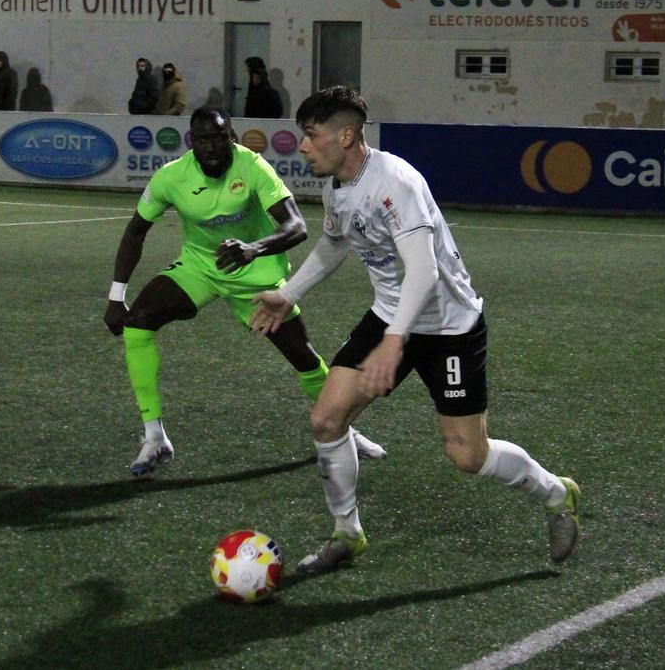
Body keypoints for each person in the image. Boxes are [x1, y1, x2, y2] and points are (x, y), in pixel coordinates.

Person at [250, 86, 581, 572]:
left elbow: (423, 274)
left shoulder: (396, 182)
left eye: (311, 135)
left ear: (345, 136)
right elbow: (334, 242)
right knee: (326, 419)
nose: (302, 146)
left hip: (449, 327)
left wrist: (393, 342)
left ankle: (556, 493)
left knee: (467, 455)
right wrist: (290, 293)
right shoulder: (336, 186)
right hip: (392, 316)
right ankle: (347, 533)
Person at [103, 106, 386, 477]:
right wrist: (115, 295)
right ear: (192, 142)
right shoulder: (171, 177)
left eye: (219, 138)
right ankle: (154, 436)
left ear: (231, 137)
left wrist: (254, 248)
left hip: (256, 277)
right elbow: (136, 230)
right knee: (137, 322)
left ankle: (344, 431)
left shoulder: (252, 167)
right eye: (203, 139)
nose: (212, 147)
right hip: (200, 268)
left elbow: (297, 226)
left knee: (303, 357)